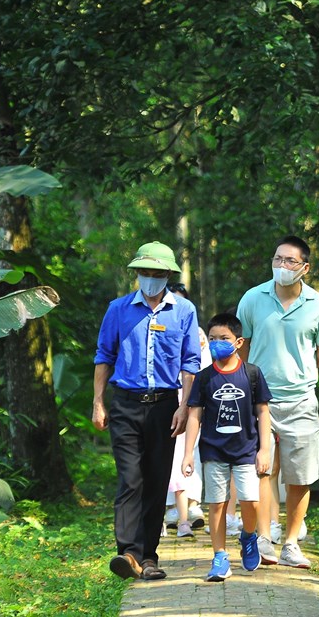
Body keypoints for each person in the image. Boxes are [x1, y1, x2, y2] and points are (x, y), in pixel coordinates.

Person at [92, 241, 201, 581]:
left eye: (157, 274)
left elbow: (190, 363)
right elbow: (104, 355)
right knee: (130, 479)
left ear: (168, 276)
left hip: (166, 406)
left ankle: (149, 557)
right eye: (144, 273)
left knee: (155, 483)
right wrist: (98, 402)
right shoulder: (119, 309)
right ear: (136, 275)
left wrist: (184, 407)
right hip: (125, 403)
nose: (150, 280)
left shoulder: (183, 311)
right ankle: (128, 552)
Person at [236, 235, 319, 569]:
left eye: (290, 261)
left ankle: (292, 543)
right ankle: (264, 539)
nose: (282, 266)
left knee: (300, 476)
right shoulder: (252, 299)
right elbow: (242, 347)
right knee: (262, 470)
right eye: (277, 259)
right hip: (259, 401)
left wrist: (297, 370)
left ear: (305, 267)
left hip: (302, 400)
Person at [182, 312, 272, 581]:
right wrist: (188, 453)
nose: (217, 343)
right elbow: (195, 416)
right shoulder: (204, 377)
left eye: (224, 338)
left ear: (239, 341)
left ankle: (248, 536)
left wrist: (264, 449)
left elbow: (263, 413)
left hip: (246, 449)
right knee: (217, 504)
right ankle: (220, 556)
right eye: (212, 339)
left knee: (251, 502)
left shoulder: (252, 374)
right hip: (213, 450)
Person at [163, 282, 210, 538]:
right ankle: (171, 505)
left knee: (191, 453)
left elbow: (202, 366)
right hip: (165, 397)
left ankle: (193, 504)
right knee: (168, 452)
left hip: (191, 401)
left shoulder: (198, 332)